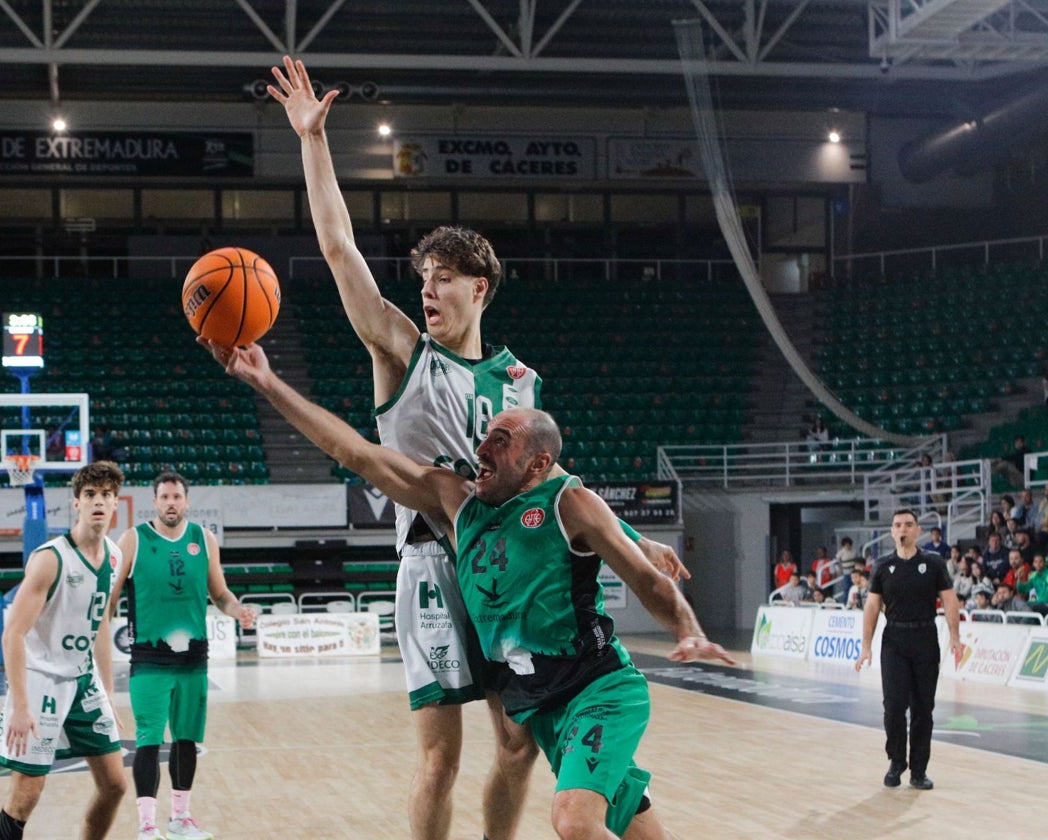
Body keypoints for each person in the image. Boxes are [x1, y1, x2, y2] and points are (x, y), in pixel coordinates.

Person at [266, 54, 689, 840]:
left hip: (506, 567)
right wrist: (312, 143)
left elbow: (555, 480)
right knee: (440, 758)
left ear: (479, 289)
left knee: (520, 744)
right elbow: (339, 253)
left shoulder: (520, 380)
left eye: (444, 279)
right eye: (423, 277)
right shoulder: (401, 351)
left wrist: (635, 537)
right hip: (433, 557)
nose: (427, 289)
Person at [206, 338, 736, 839]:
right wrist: (268, 383)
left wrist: (687, 628)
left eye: (500, 441)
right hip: (543, 704)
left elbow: (645, 578)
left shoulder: (568, 503)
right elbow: (358, 454)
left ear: (538, 464)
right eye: (485, 436)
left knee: (573, 820)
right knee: (628, 820)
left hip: (597, 689)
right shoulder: (457, 502)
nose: (481, 448)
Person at [0, 461, 128, 840]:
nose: (99, 502)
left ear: (116, 505)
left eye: (107, 495)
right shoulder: (51, 558)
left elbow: (99, 623)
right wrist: (19, 705)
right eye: (91, 495)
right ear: (76, 504)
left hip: (83, 680)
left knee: (115, 784)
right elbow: (12, 634)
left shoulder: (114, 556)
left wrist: (108, 691)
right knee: (26, 796)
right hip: (40, 680)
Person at [110, 471, 256, 840]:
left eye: (177, 496)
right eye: (164, 497)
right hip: (148, 660)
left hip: (194, 660)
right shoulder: (133, 539)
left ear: (187, 501)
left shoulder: (203, 540)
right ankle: (146, 824)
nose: (171, 503)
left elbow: (220, 594)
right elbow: (110, 598)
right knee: (148, 742)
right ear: (155, 502)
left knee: (187, 740)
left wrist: (237, 610)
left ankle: (181, 818)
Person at [855, 508, 963, 792]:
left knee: (923, 709)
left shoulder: (934, 563)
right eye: (897, 525)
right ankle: (896, 761)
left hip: (926, 637)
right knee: (893, 707)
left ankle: (919, 770)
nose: (903, 529)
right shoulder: (881, 566)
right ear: (892, 531)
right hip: (894, 640)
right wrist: (866, 645)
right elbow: (872, 606)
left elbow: (950, 600)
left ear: (918, 531)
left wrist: (955, 636)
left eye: (908, 525)